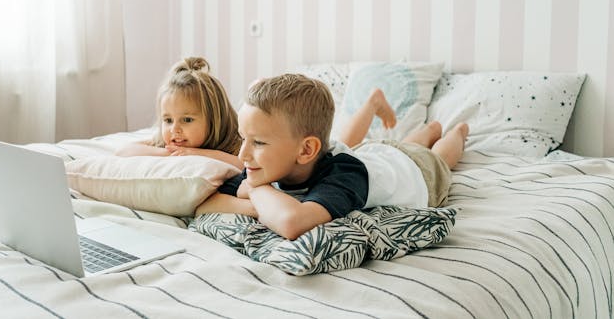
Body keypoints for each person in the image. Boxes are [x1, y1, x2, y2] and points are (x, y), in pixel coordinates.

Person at [195, 73, 468, 240]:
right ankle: (413, 121)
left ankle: (457, 131)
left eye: (258, 142)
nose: (242, 154)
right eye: (244, 138)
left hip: (416, 172)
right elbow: (204, 203)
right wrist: (260, 206)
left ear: (305, 150)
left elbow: (292, 223)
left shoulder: (344, 175)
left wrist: (255, 191)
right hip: (374, 156)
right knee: (398, 144)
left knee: (439, 157)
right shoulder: (261, 163)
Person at [115, 57, 243, 169]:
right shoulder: (167, 144)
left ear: (214, 119)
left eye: (187, 120)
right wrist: (174, 153)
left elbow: (243, 165)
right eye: (168, 120)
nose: (174, 129)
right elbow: (123, 151)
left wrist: (197, 154)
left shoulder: (237, 144)